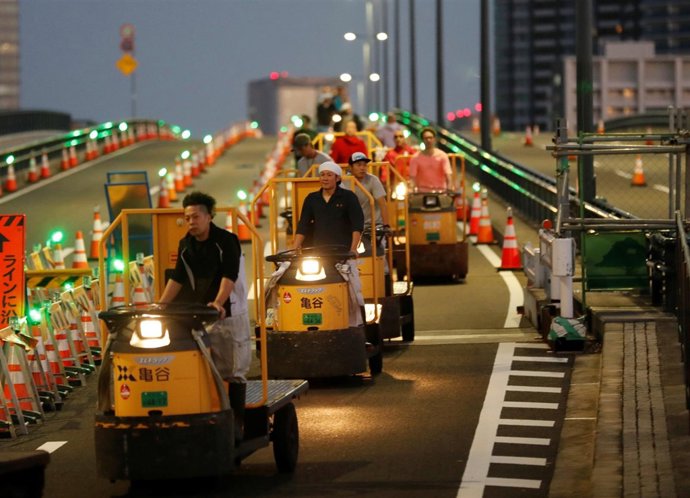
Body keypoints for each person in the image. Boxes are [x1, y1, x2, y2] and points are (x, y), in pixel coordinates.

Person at [159, 191, 249, 442]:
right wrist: (161, 305)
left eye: (196, 216)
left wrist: (218, 303)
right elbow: (177, 278)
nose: (191, 222)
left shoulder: (226, 241)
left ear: (209, 216)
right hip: (199, 316)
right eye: (187, 217)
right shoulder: (186, 244)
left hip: (227, 313)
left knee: (232, 370)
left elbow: (229, 276)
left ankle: (236, 427)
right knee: (201, 371)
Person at [292, 162, 365, 326]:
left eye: (329, 175)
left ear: (337, 178)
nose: (324, 178)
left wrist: (353, 249)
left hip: (343, 255)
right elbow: (303, 225)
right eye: (322, 174)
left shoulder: (348, 197)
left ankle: (357, 328)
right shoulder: (312, 199)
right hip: (318, 255)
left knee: (354, 293)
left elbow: (357, 225)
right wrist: (294, 247)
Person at [349, 151, 388, 230]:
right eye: (359, 165)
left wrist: (386, 225)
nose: (362, 168)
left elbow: (382, 203)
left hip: (373, 225)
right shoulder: (344, 181)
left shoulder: (373, 180)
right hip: (351, 226)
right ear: (350, 167)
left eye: (364, 165)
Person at [408, 127, 453, 192]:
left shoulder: (443, 156)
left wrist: (449, 187)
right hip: (422, 193)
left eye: (430, 138)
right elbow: (412, 178)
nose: (428, 140)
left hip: (440, 192)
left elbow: (448, 174)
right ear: (422, 140)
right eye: (426, 138)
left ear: (434, 139)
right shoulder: (415, 158)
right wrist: (411, 189)